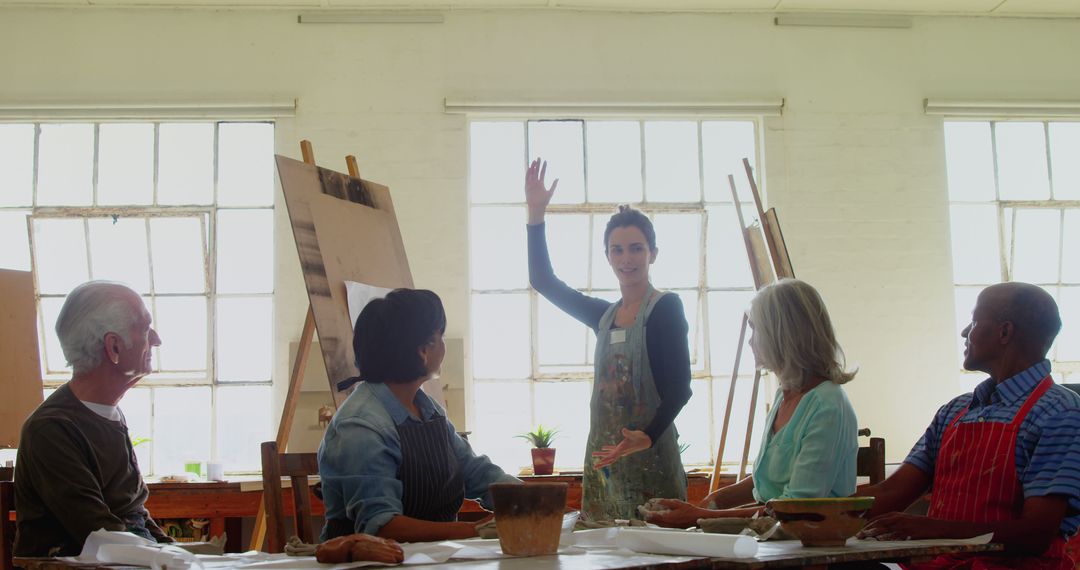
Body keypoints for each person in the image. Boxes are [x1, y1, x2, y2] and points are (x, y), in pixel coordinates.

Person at [857, 282, 1080, 569]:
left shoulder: (1058, 412)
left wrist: (933, 528)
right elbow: (890, 493)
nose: (964, 332)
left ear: (1004, 332)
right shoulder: (956, 410)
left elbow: (1035, 533)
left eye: (974, 321)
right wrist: (807, 512)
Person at [525, 158, 692, 520]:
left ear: (653, 253)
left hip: (652, 463)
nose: (627, 258)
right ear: (607, 256)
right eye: (617, 249)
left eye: (636, 248)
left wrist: (646, 435)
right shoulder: (602, 316)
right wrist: (536, 214)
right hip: (604, 468)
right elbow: (543, 280)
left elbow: (681, 388)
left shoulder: (665, 309)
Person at [646, 278, 859, 528]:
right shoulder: (786, 394)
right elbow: (764, 483)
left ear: (783, 335)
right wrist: (708, 503)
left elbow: (796, 508)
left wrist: (698, 517)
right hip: (774, 538)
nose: (750, 341)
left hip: (813, 545)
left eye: (756, 329)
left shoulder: (827, 404)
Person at [318, 288, 520, 543]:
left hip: (431, 558)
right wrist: (474, 531)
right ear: (423, 349)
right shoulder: (360, 426)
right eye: (441, 335)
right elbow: (382, 527)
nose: (444, 345)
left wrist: (535, 502)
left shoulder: (428, 410)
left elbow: (475, 471)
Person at [14, 281, 172, 557]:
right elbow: (99, 533)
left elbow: (133, 513)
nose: (156, 340)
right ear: (114, 348)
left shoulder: (109, 414)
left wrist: (185, 554)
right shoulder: (51, 430)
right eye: (145, 329)